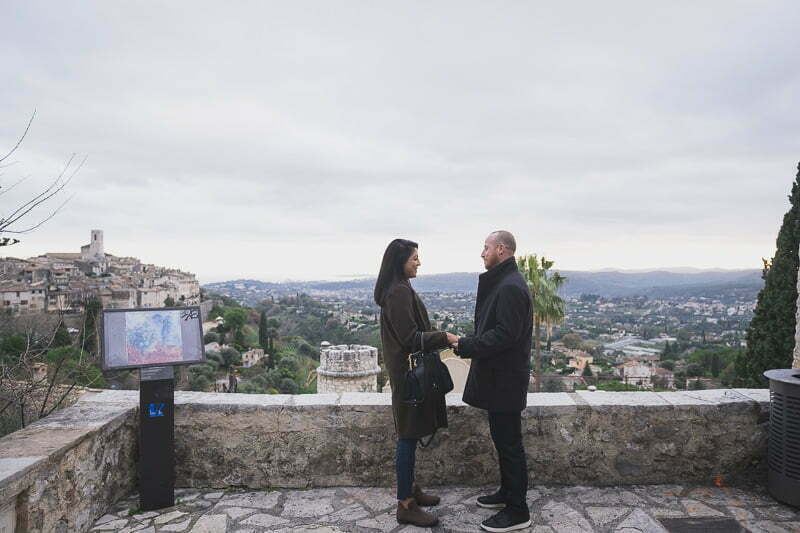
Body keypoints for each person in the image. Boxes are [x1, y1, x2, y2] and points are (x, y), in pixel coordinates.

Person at [450, 230, 533, 533]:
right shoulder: (506, 282)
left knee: (510, 445)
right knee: (503, 440)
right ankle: (507, 493)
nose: (482, 253)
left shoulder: (510, 286)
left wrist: (465, 345)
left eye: (485, 247)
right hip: (501, 379)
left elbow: (504, 335)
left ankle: (518, 510)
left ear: (501, 249)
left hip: (505, 380)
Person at [374, 238, 459, 528]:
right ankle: (405, 504)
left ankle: (410, 488)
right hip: (407, 378)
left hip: (407, 376)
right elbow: (410, 338)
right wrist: (445, 337)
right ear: (401, 262)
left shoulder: (400, 288)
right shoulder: (398, 292)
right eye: (414, 258)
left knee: (409, 435)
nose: (419, 263)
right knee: (407, 438)